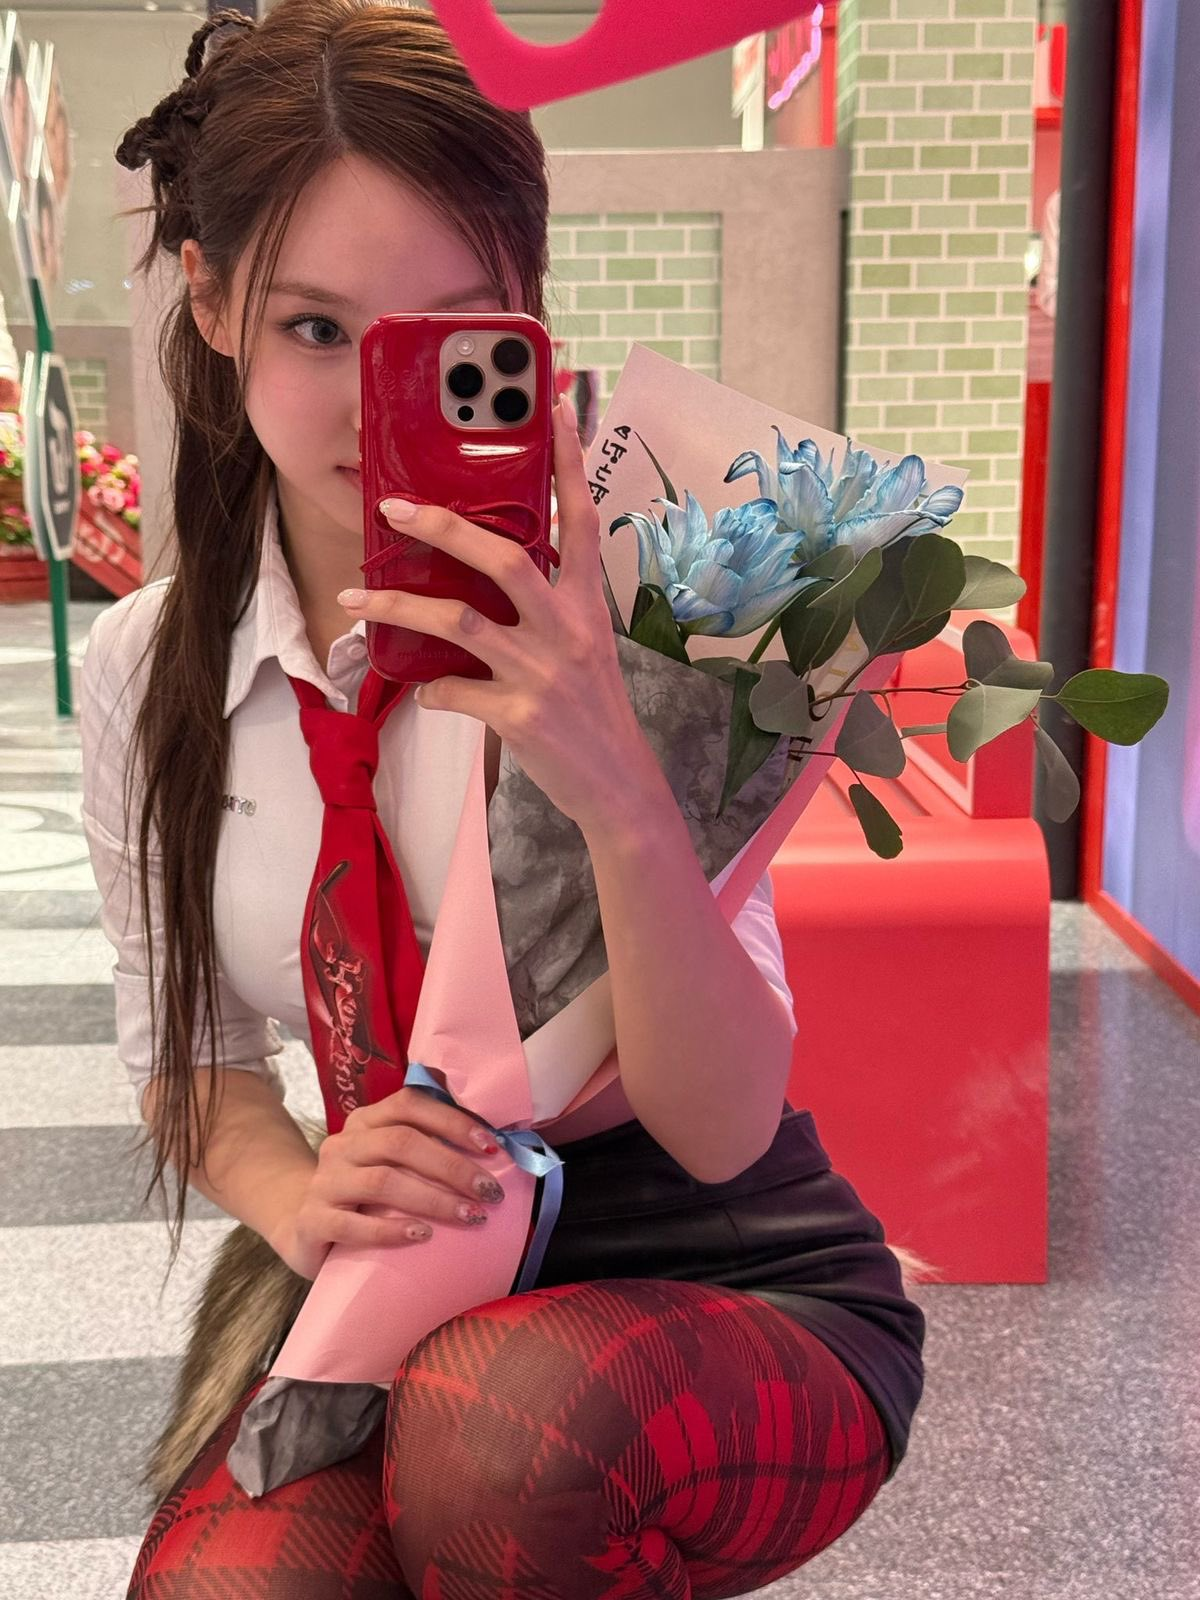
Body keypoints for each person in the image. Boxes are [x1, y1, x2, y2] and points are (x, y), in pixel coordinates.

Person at [83, 3, 928, 1593]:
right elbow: (189, 1062)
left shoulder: (646, 609)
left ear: (528, 316)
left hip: (722, 1266)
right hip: (400, 1261)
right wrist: (300, 1194)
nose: (372, 403)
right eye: (315, 329)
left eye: (449, 337)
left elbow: (724, 1124)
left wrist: (619, 786)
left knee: (504, 1442)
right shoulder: (155, 671)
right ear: (209, 299)